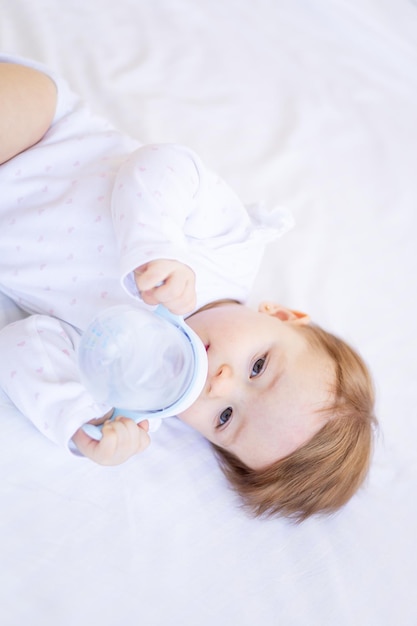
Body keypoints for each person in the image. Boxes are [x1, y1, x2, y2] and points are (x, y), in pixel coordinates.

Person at [0, 55, 377, 521]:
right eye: (258, 366)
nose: (220, 384)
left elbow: (19, 344)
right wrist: (157, 246)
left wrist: (80, 416)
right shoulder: (229, 252)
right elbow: (162, 164)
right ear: (280, 315)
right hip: (39, 133)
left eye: (225, 418)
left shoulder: (134, 385)